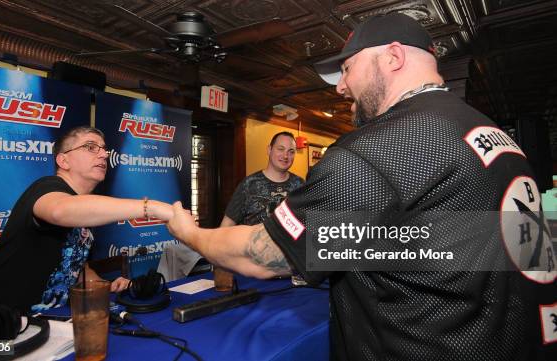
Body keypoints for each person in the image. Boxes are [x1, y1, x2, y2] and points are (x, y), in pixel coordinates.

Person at [165, 13, 556, 361]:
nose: (341, 87)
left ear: (392, 57)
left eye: (348, 69)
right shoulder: (493, 134)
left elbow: (262, 256)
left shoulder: (378, 149)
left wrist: (191, 233)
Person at [0, 126, 173, 313]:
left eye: (104, 149)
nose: (104, 155)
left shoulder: (85, 209)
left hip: (57, 324)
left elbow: (77, 269)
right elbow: (59, 211)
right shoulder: (45, 187)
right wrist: (152, 208)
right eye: (90, 147)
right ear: (63, 160)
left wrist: (106, 286)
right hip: (4, 330)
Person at [221, 131, 303, 227]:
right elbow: (226, 225)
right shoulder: (248, 184)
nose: (285, 156)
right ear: (269, 150)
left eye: (291, 152)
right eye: (280, 149)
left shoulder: (300, 185)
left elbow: (308, 223)